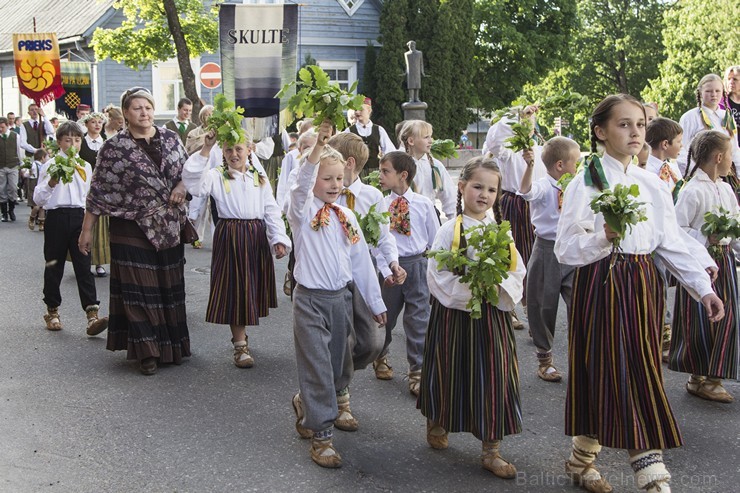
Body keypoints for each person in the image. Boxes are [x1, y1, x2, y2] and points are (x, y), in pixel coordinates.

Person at [555, 94, 725, 493]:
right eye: (624, 124)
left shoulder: (651, 182)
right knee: (626, 371)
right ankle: (652, 476)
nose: (635, 132)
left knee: (627, 368)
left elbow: (669, 241)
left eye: (640, 124)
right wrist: (603, 237)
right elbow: (565, 247)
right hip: (603, 283)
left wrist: (703, 288)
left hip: (643, 284)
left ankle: (581, 459)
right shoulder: (588, 180)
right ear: (601, 132)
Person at [287, 121, 386, 469]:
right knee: (316, 366)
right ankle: (322, 436)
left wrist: (375, 304)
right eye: (326, 178)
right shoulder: (302, 212)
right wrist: (317, 149)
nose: (334, 185)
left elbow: (360, 264)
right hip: (310, 301)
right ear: (314, 179)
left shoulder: (347, 216)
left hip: (340, 300)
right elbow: (300, 186)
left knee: (337, 364)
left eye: (339, 179)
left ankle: (309, 402)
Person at [420, 156, 525, 479]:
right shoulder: (449, 230)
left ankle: (491, 449)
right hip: (455, 315)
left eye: (491, 189)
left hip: (492, 315)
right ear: (462, 187)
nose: (484, 194)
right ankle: (439, 417)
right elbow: (437, 275)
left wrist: (496, 287)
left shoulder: (500, 233)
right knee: (450, 369)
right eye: (478, 186)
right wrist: (470, 290)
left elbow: (516, 271)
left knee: (495, 376)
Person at [79, 87, 191, 376]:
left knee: (168, 285)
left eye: (148, 107)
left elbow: (190, 173)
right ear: (126, 114)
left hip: (167, 225)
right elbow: (98, 191)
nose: (144, 112)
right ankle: (147, 351)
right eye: (137, 108)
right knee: (138, 289)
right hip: (129, 225)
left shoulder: (170, 139)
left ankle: (171, 347)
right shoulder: (114, 147)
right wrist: (86, 231)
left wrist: (181, 187)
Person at [183, 128, 290, 368]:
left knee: (249, 288)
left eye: (239, 149)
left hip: (255, 236)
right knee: (234, 289)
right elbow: (193, 184)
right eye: (229, 149)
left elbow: (270, 208)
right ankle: (240, 345)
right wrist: (206, 148)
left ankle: (242, 338)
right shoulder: (215, 175)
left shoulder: (257, 176)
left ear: (249, 150)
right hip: (230, 236)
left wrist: (278, 238)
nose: (234, 154)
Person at [329, 132, 405, 429]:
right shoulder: (323, 191)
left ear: (348, 164)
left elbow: (383, 238)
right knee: (341, 340)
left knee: (374, 341)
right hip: (333, 279)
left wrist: (393, 264)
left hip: (365, 277)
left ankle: (335, 377)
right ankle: (340, 396)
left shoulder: (372, 197)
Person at [671, 129, 738, 403]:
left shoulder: (725, 188)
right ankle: (699, 376)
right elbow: (677, 230)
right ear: (719, 156)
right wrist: (704, 238)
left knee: (728, 316)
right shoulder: (692, 190)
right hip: (699, 261)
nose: (733, 161)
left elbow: (735, 228)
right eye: (731, 155)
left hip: (724, 260)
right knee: (698, 317)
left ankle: (713, 376)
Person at [33, 121, 108, 336]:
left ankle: (92, 314)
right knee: (53, 264)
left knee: (84, 266)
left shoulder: (85, 166)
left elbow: (89, 197)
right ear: (59, 142)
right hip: (56, 217)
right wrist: (51, 184)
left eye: (77, 140)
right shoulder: (50, 165)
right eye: (68, 140)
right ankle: (52, 310)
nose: (73, 144)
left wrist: (89, 224)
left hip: (79, 217)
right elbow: (38, 197)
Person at [374, 151, 439, 396]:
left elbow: (435, 240)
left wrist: (432, 273)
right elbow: (376, 242)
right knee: (385, 317)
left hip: (417, 266)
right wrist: (385, 269)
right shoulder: (380, 204)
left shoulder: (423, 204)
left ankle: (418, 370)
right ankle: (380, 355)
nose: (380, 175)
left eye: (385, 171)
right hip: (390, 269)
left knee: (418, 319)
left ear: (403, 175)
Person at [518, 136, 580, 382]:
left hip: (573, 249)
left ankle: (583, 355)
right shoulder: (544, 186)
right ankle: (545, 359)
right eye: (576, 161)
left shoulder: (575, 184)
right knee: (543, 303)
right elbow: (526, 192)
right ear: (560, 165)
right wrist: (530, 167)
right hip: (547, 249)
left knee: (582, 301)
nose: (579, 165)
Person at [483, 106, 547, 329]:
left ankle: (532, 310)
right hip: (512, 203)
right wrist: (516, 115)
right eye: (525, 120)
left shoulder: (540, 149)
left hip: (536, 202)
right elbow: (494, 140)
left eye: (532, 119)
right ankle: (508, 307)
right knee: (510, 252)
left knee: (533, 256)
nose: (529, 122)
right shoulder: (507, 150)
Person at [677, 74, 740, 176]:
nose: (713, 94)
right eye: (708, 91)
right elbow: (681, 149)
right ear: (700, 92)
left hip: (726, 176)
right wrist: (694, 173)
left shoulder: (727, 116)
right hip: (700, 175)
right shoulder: (690, 117)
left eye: (717, 91)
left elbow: (734, 149)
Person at [398, 120, 456, 220]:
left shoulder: (436, 165)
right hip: (404, 216)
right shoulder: (398, 165)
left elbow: (449, 195)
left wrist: (454, 220)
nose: (430, 141)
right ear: (411, 141)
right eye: (426, 137)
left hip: (430, 215)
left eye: (430, 136)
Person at [79, 112, 111, 277]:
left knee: (101, 228)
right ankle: (85, 260)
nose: (97, 125)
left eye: (100, 122)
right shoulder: (82, 143)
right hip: (85, 188)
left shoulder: (106, 143)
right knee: (86, 225)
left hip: (103, 190)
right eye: (93, 122)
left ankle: (99, 262)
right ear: (87, 124)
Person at [184, 104, 215, 249]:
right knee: (198, 207)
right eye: (207, 114)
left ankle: (218, 238)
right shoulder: (194, 132)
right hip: (199, 171)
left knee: (216, 206)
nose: (210, 117)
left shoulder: (218, 132)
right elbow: (189, 149)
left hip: (214, 171)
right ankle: (196, 237)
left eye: (212, 114)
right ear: (202, 116)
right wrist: (205, 143)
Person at [346, 97, 396, 176]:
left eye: (361, 110)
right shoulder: (349, 131)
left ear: (369, 111)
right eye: (356, 110)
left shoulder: (379, 130)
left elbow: (390, 151)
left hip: (375, 172)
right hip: (356, 173)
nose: (357, 112)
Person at [0, 117, 24, 222]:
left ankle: (11, 210)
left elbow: (19, 152)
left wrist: (22, 165)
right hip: (1, 166)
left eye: (2, 127)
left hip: (13, 165)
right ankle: (4, 213)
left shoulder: (15, 136)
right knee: (1, 189)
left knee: (13, 188)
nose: (1, 129)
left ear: (6, 125)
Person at [25, 148, 50, 231]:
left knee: (42, 207)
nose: (48, 159)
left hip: (42, 186)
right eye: (47, 157)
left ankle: (41, 223)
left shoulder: (46, 166)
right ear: (42, 157)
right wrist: (29, 173)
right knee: (36, 206)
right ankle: (32, 218)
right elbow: (27, 174)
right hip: (34, 187)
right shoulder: (34, 165)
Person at [720, 65, 740, 146]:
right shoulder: (720, 102)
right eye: (729, 79)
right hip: (728, 146)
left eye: (735, 79)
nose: (731, 82)